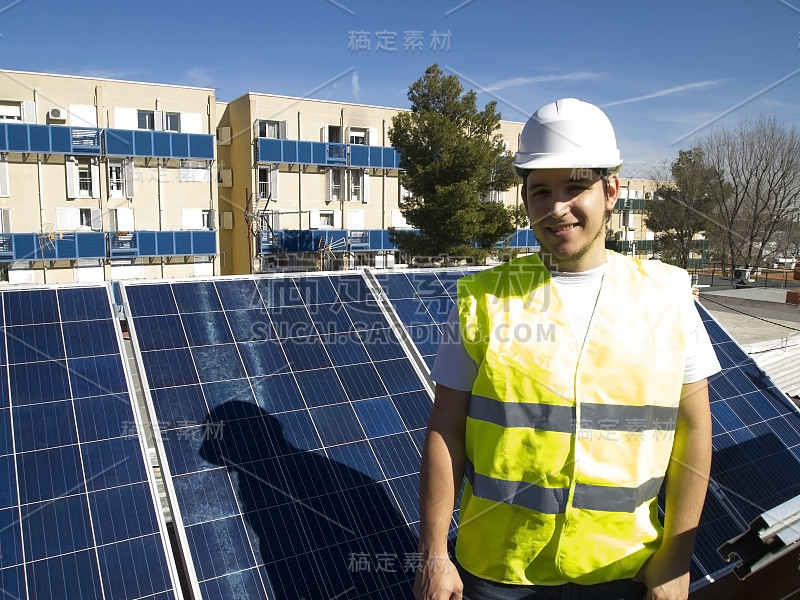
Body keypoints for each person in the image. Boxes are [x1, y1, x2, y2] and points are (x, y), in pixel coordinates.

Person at [414, 98, 720, 600]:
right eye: (541, 191)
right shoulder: (482, 299)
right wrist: (434, 556)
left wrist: (675, 558)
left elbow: (694, 427)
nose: (558, 208)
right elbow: (445, 428)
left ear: (611, 191)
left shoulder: (668, 295)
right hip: (498, 571)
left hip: (621, 570)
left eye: (576, 186)